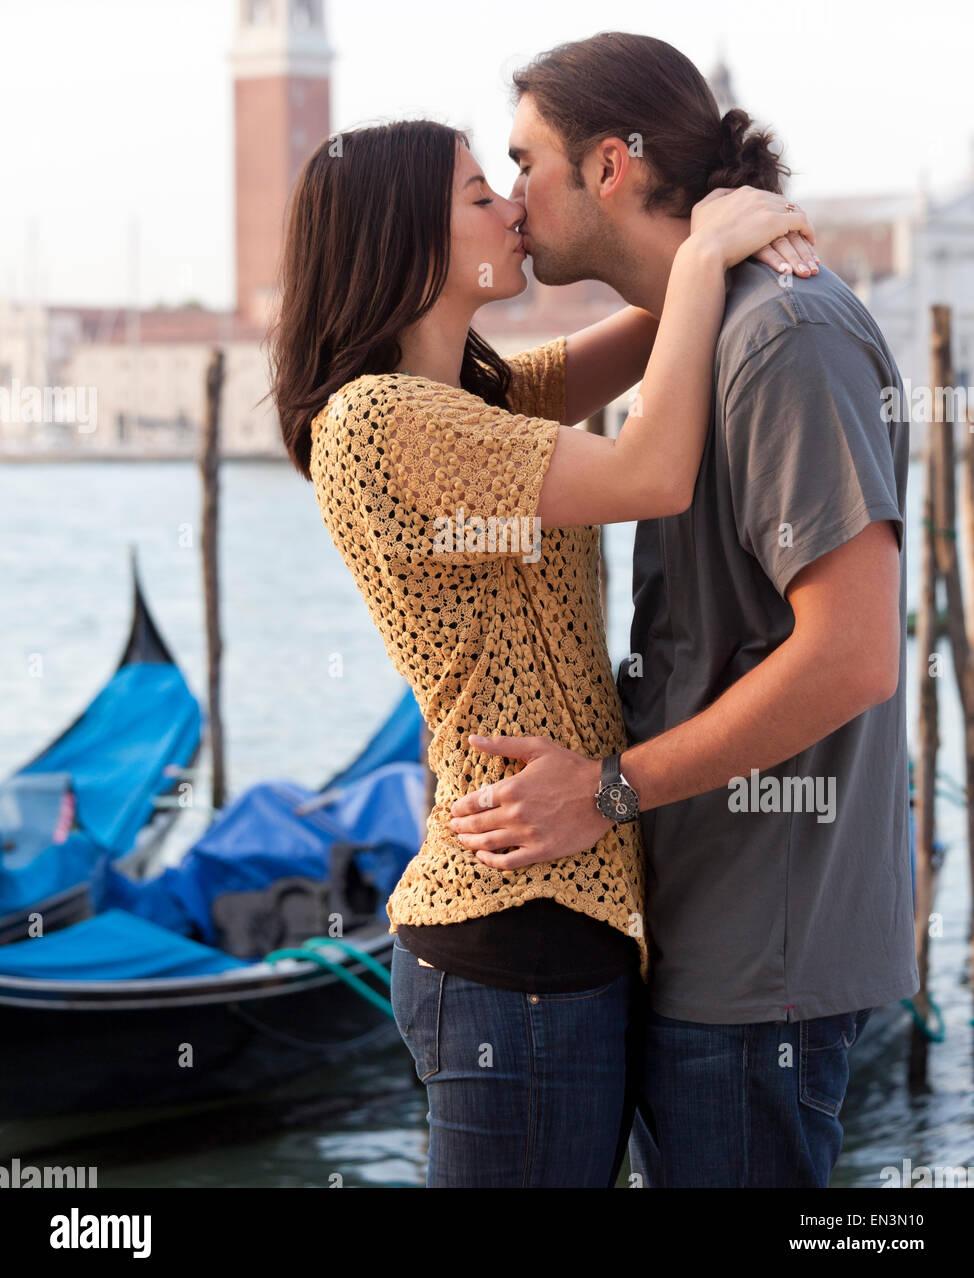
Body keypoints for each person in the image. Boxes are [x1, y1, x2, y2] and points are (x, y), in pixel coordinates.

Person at [267, 114, 817, 1187]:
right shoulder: (380, 421)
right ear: (408, 246)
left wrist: (734, 216)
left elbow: (665, 317)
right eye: (482, 195)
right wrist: (709, 248)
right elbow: (652, 472)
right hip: (507, 934)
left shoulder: (478, 397)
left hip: (560, 918)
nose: (513, 208)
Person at [448, 32, 919, 1188]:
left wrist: (603, 790)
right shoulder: (704, 328)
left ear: (610, 165)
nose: (511, 201)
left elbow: (854, 654)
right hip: (697, 930)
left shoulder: (780, 336)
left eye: (523, 162)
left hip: (763, 958)